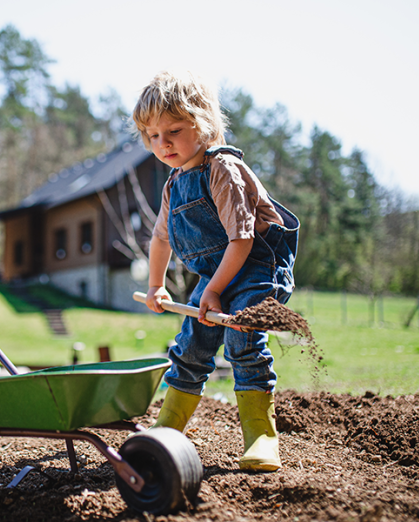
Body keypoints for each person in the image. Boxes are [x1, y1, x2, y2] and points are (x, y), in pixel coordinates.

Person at [132, 71, 300, 472]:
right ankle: (168, 427)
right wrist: (156, 286)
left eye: (173, 130)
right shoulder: (175, 183)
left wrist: (213, 291)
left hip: (256, 267)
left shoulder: (223, 169)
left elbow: (241, 240)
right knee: (191, 346)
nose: (163, 143)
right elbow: (160, 240)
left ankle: (261, 435)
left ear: (204, 124)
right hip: (218, 274)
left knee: (241, 343)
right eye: (152, 135)